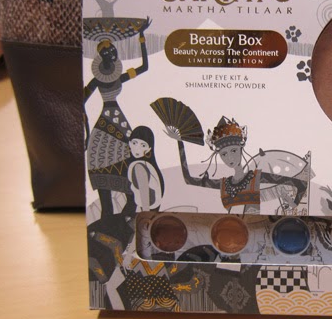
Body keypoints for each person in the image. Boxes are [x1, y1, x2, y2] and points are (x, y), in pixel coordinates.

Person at [166, 116, 307, 214]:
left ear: (241, 149)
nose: (229, 158)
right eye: (224, 154)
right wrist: (180, 142)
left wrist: (293, 204)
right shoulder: (224, 184)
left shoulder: (256, 178)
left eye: (233, 151)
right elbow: (189, 180)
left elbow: (300, 184)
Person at [84, 18, 151, 216]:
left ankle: (128, 211)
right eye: (107, 52)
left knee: (131, 159)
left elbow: (144, 67)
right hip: (106, 122)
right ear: (100, 56)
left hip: (117, 121)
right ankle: (108, 214)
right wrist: (86, 132)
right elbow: (81, 101)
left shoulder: (118, 77)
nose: (112, 53)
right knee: (101, 160)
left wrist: (141, 38)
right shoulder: (97, 80)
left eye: (113, 50)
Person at [124, 126, 165, 215]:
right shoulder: (146, 164)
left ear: (149, 149)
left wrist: (145, 215)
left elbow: (144, 194)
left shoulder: (139, 166)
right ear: (129, 143)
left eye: (143, 145)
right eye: (134, 143)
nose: (137, 148)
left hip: (147, 210)